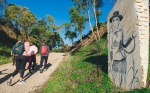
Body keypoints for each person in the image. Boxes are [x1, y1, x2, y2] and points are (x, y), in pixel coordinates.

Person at [109, 11, 137, 87]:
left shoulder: (121, 31)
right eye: (113, 20)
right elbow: (111, 48)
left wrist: (131, 37)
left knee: (123, 77)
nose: (115, 22)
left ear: (119, 21)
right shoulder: (111, 34)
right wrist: (111, 60)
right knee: (116, 77)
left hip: (122, 57)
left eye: (117, 20)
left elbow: (124, 44)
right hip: (115, 59)